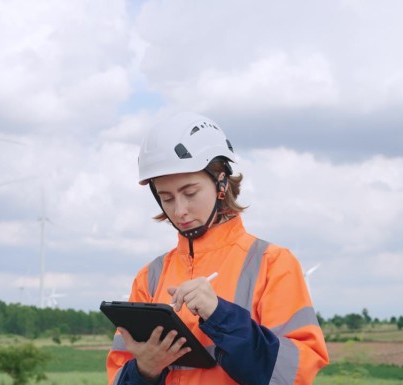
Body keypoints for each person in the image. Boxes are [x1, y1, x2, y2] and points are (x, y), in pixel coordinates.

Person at [106, 112, 329, 384]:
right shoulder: (149, 277)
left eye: (190, 193)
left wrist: (220, 315)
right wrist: (144, 370)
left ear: (221, 183)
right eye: (166, 197)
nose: (180, 210)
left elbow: (294, 372)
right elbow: (118, 375)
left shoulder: (273, 264)